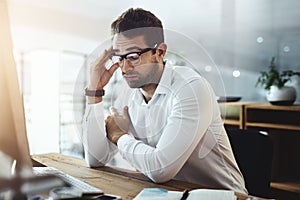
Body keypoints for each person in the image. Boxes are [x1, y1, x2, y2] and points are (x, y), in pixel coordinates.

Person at [82, 8, 248, 194]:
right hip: (166, 193)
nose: (125, 67)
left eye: (133, 56)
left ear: (160, 52)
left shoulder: (191, 88)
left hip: (222, 196)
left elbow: (160, 169)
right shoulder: (129, 92)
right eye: (119, 58)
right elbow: (95, 160)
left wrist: (118, 135)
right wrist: (95, 92)